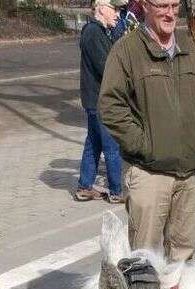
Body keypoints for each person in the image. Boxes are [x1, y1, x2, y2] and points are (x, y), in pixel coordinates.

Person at [98, 0, 195, 261]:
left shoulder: (190, 48)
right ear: (144, 5)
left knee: (182, 260)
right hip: (148, 174)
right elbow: (110, 106)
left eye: (175, 5)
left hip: (187, 175)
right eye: (163, 5)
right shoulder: (126, 51)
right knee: (145, 260)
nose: (171, 13)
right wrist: (144, 146)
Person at [75, 0, 126, 203]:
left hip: (95, 98)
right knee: (111, 146)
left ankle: (84, 187)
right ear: (102, 8)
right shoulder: (94, 33)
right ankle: (116, 191)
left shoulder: (101, 31)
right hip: (100, 99)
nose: (118, 14)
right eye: (115, 10)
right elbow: (106, 68)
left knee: (94, 143)